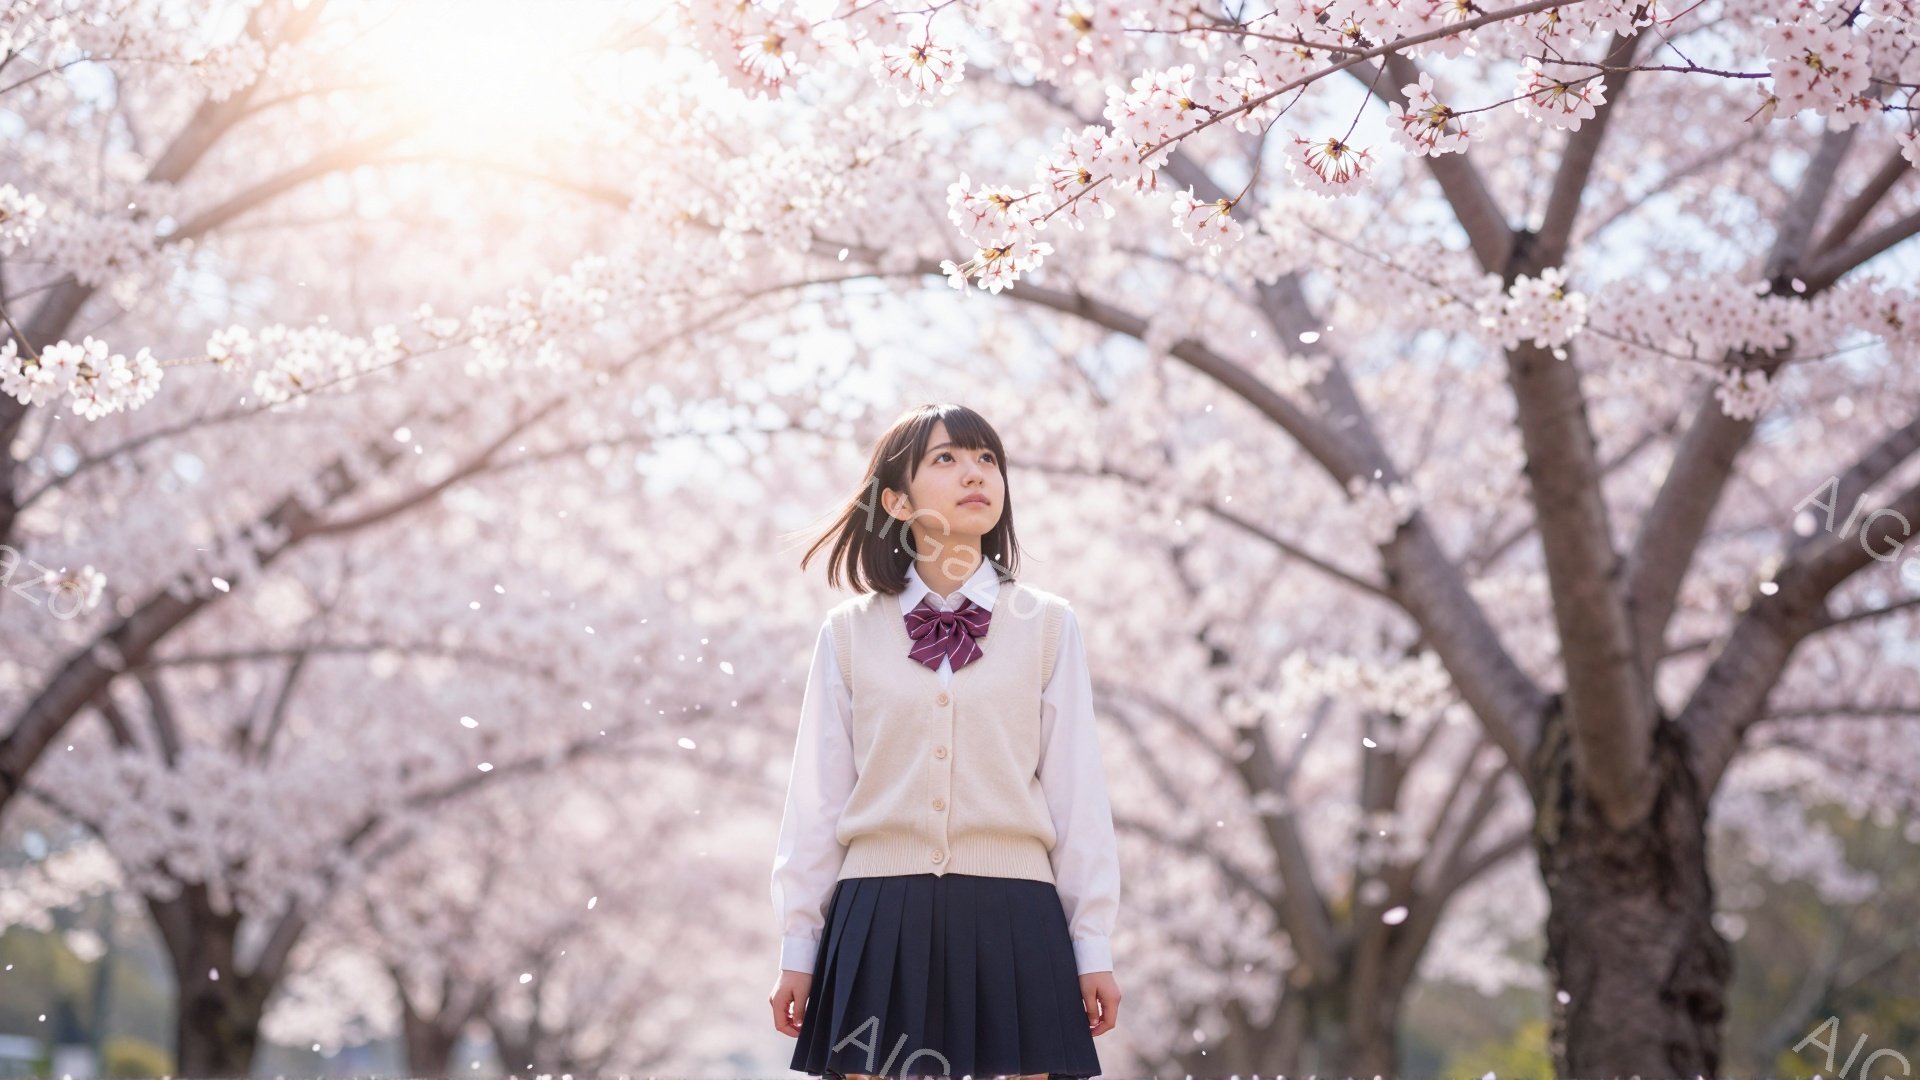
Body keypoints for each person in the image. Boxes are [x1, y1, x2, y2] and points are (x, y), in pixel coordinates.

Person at [768, 402, 1122, 1080]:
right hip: (877, 916)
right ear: (896, 501)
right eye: (948, 458)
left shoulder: (1048, 626)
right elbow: (815, 801)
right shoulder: (847, 632)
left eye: (988, 459)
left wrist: (1093, 944)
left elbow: (1077, 793)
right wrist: (799, 946)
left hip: (1017, 915)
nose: (976, 473)